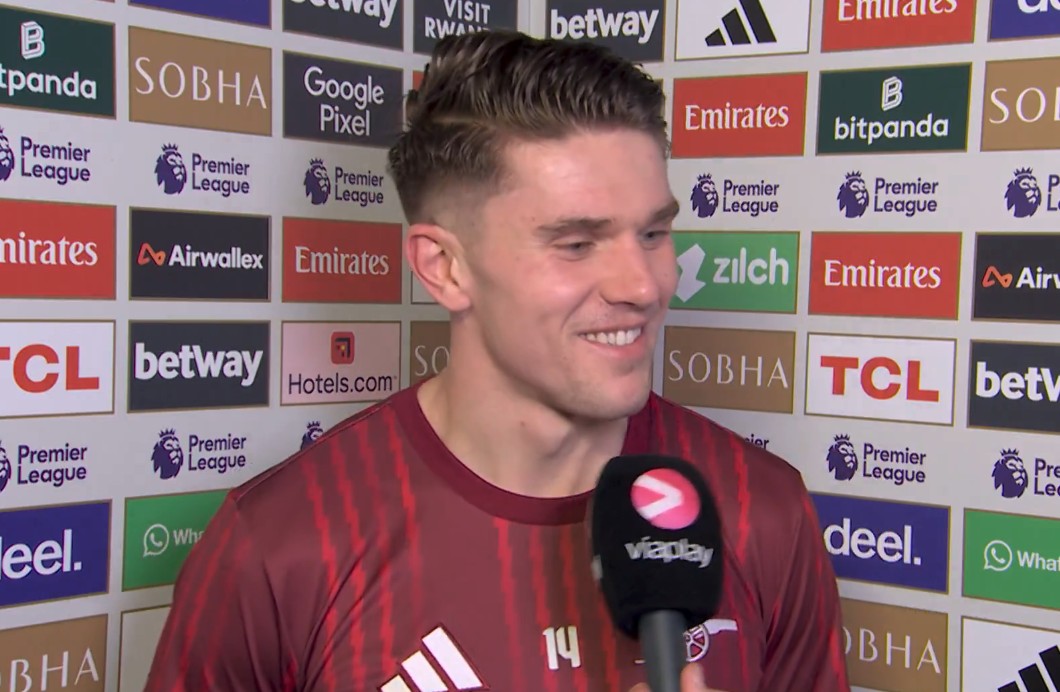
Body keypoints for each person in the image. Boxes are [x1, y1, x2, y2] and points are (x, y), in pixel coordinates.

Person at [143, 30, 850, 692]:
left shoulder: (761, 510)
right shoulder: (282, 545)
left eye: (653, 233)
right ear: (444, 268)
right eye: (576, 244)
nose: (643, 285)